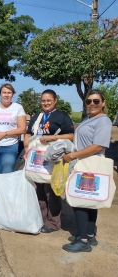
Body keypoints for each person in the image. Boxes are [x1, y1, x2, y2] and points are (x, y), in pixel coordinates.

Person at [62, 89, 112, 253]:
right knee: (90, 200)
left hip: (87, 165)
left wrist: (73, 155)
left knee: (80, 200)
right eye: (89, 101)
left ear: (103, 103)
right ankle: (89, 234)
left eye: (96, 101)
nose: (91, 104)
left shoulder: (103, 121)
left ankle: (83, 240)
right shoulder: (88, 119)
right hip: (85, 164)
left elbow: (98, 145)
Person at [24, 89, 74, 233]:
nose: (46, 103)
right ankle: (42, 218)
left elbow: (70, 136)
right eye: (43, 100)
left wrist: (52, 138)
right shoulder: (37, 117)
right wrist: (27, 150)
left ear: (55, 100)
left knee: (51, 190)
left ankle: (53, 222)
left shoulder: (62, 116)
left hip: (53, 158)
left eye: (49, 100)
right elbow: (28, 134)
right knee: (39, 188)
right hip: (36, 159)